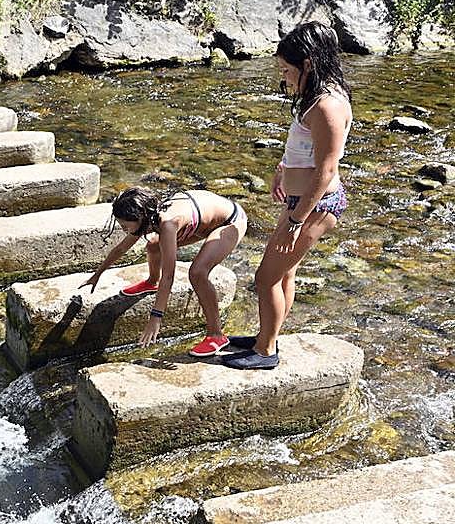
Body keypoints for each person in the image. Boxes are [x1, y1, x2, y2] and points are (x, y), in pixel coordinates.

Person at [223, 21, 352, 370]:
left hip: (315, 205)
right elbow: (305, 148)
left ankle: (265, 352)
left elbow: (326, 171)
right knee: (284, 274)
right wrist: (284, 168)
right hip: (300, 201)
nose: (283, 77)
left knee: (265, 278)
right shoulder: (317, 94)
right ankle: (269, 334)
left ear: (308, 63)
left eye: (286, 69)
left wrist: (296, 220)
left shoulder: (326, 105)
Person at [81, 186, 247, 355]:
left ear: (141, 217)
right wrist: (97, 274)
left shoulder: (167, 223)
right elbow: (121, 248)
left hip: (231, 222)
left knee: (197, 273)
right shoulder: (147, 216)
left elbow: (169, 276)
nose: (125, 230)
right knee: (153, 245)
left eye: (125, 226)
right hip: (203, 222)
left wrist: (156, 317)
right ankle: (152, 282)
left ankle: (216, 335)